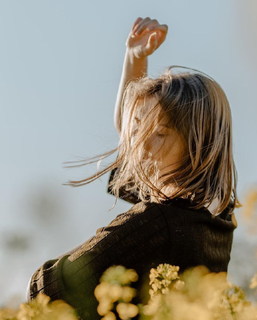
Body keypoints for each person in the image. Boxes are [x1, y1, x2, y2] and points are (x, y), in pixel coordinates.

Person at [27, 17, 241, 320]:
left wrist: (35, 283)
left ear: (196, 143)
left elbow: (49, 292)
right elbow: (129, 134)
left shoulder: (156, 223)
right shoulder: (217, 216)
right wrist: (135, 60)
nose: (139, 145)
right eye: (140, 129)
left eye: (161, 133)